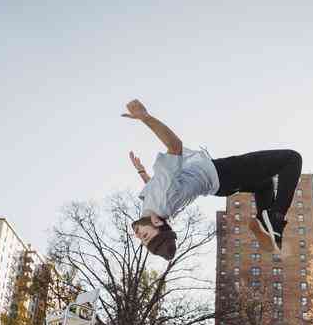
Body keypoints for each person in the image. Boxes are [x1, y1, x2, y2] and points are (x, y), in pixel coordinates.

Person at [123, 98, 302, 261]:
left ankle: (266, 224)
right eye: (145, 236)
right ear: (156, 222)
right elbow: (175, 146)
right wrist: (145, 117)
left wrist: (141, 172)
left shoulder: (154, 207)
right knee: (292, 160)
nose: (139, 235)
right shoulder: (161, 199)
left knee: (264, 184)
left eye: (143, 239)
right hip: (224, 173)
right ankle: (275, 219)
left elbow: (153, 186)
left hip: (220, 185)